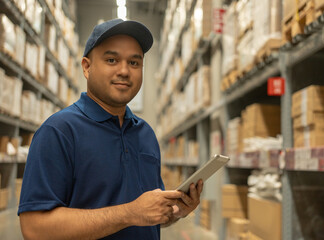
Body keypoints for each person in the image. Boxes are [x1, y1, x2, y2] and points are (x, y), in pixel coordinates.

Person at [18, 18, 203, 240]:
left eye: (134, 63)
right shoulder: (59, 131)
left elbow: (146, 216)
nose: (124, 71)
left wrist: (175, 212)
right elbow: (34, 228)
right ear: (87, 67)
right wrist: (129, 213)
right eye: (112, 59)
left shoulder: (145, 134)